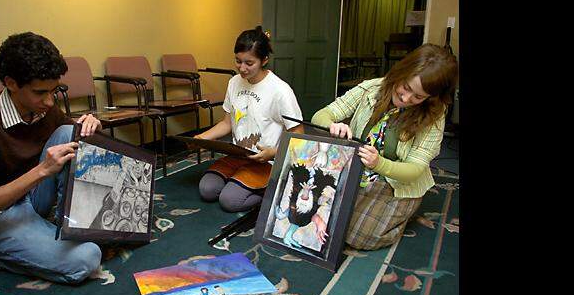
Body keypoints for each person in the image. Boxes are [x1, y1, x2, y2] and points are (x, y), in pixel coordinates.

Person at [0, 32, 104, 284]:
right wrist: (43, 170)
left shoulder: (42, 109)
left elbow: (70, 135)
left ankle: (54, 228)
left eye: (54, 91)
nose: (49, 101)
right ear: (11, 83)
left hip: (31, 199)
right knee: (87, 258)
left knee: (69, 132)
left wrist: (90, 126)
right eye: (40, 92)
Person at [310, 43, 458, 251]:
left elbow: (414, 169)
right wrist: (332, 125)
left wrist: (379, 164)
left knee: (358, 237)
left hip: (396, 181)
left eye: (418, 96)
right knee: (321, 218)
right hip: (357, 171)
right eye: (405, 88)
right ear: (401, 72)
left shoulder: (435, 114)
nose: (406, 99)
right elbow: (321, 115)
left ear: (431, 97)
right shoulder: (371, 88)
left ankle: (404, 212)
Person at [192, 26, 303, 212]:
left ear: (264, 60)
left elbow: (299, 137)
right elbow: (227, 123)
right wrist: (202, 138)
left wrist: (273, 153)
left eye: (249, 63)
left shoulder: (280, 90)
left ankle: (273, 190)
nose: (242, 68)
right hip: (238, 154)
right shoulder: (234, 82)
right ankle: (240, 182)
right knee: (207, 190)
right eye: (238, 61)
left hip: (265, 161)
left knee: (229, 201)